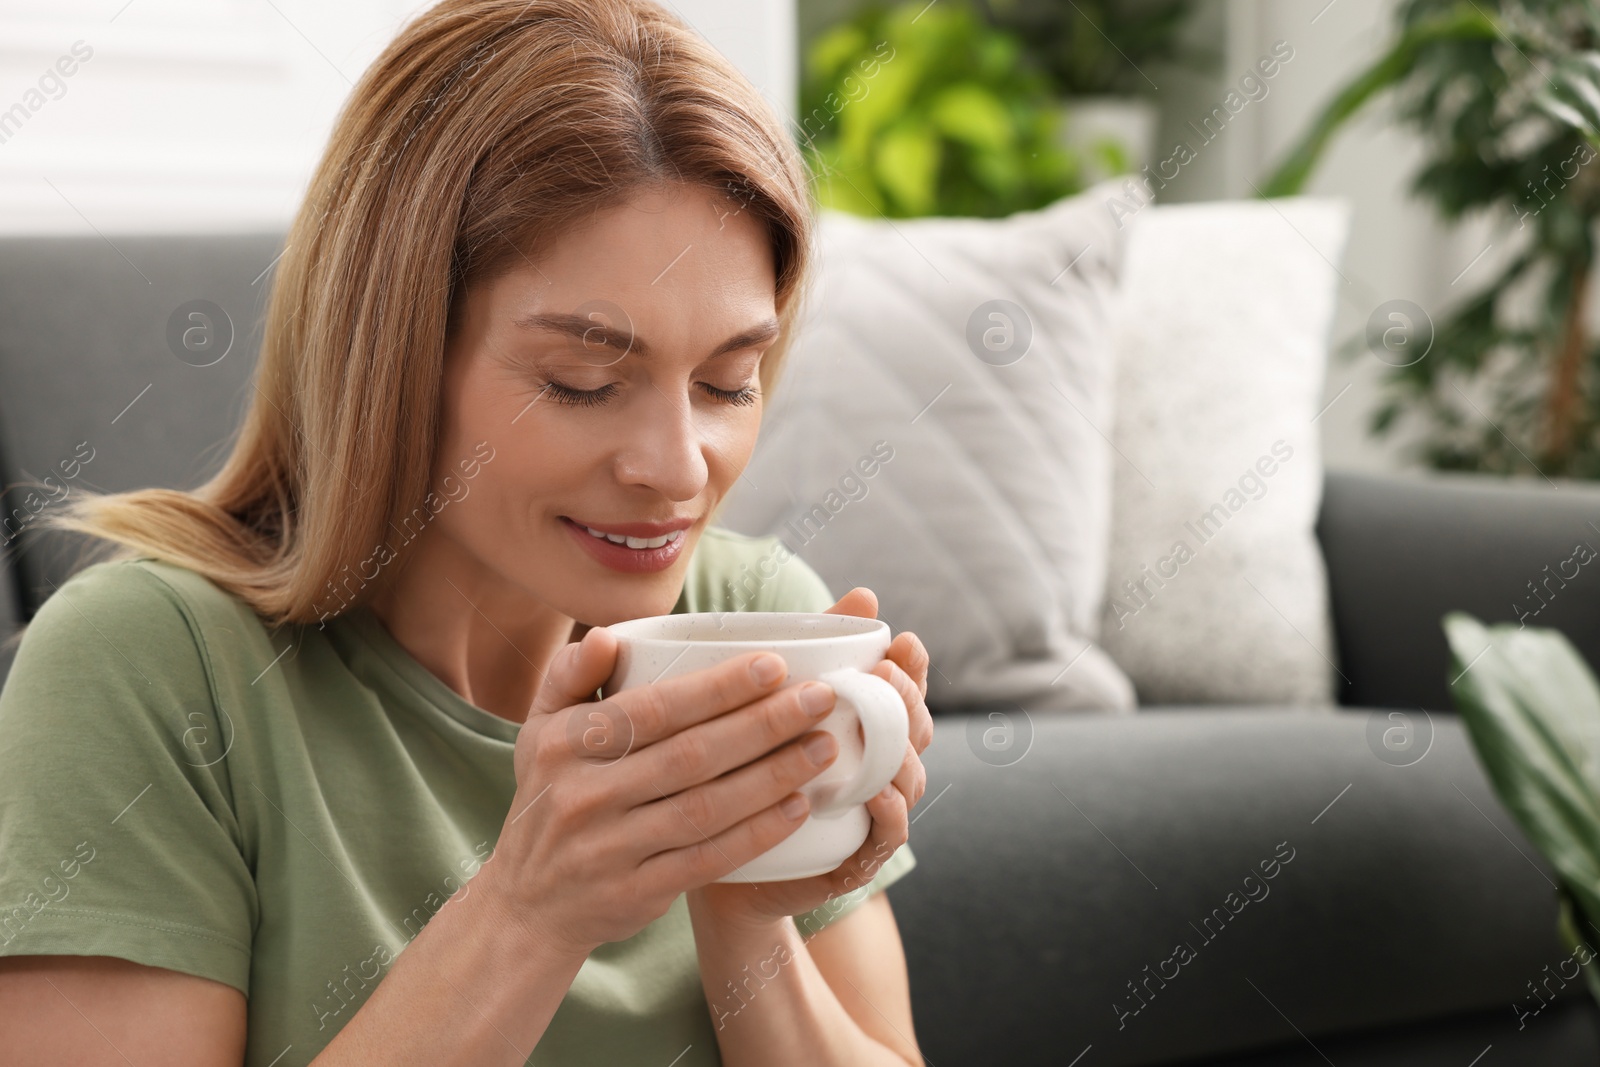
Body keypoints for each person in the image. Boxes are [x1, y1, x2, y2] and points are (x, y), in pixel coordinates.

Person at [0, 1, 933, 1063]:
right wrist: (529, 911)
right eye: (583, 380)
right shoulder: (151, 672)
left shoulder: (758, 620)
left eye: (728, 381)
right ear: (390, 353)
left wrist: (743, 899)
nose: (677, 468)